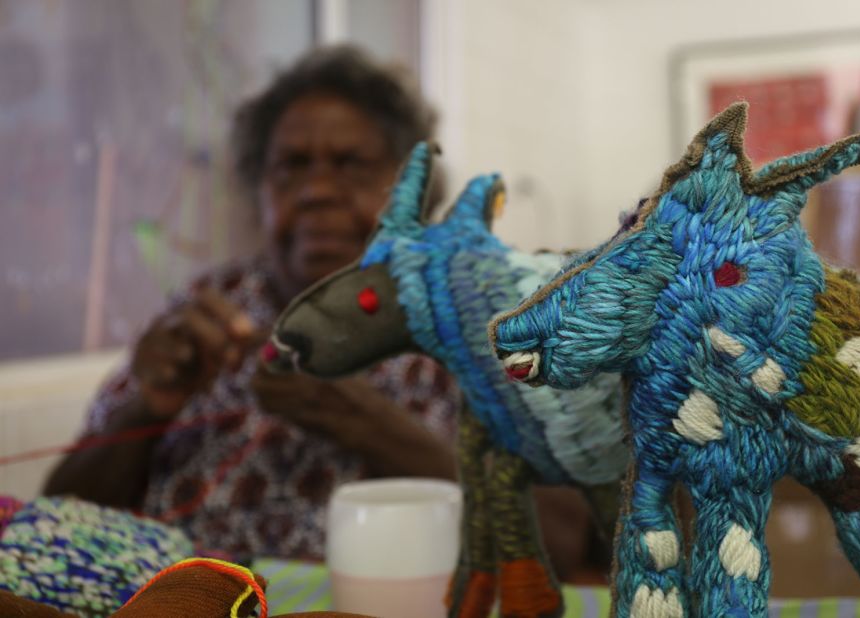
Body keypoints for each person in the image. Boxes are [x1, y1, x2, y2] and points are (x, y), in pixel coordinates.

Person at [44, 45, 597, 574]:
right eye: (290, 166)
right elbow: (55, 526)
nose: (315, 192)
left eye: (352, 165)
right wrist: (149, 406)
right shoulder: (208, 308)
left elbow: (561, 541)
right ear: (260, 190)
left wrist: (365, 422)